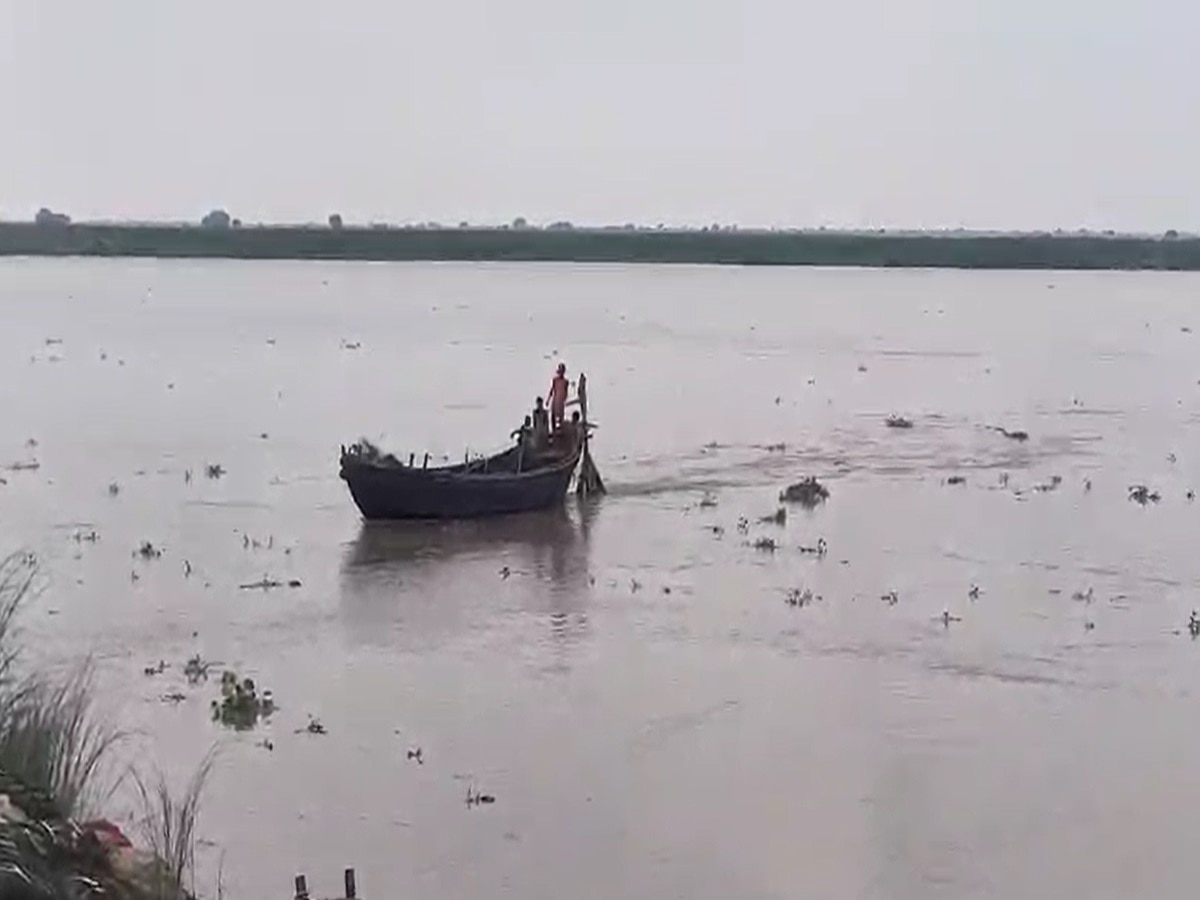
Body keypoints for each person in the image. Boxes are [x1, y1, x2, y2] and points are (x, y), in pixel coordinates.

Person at [547, 362, 569, 432]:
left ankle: (560, 429)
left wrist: (564, 398)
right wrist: (548, 399)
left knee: (560, 416)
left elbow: (566, 391)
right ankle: (554, 430)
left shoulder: (565, 381)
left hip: (561, 400)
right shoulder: (555, 380)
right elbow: (552, 389)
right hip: (556, 398)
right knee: (553, 415)